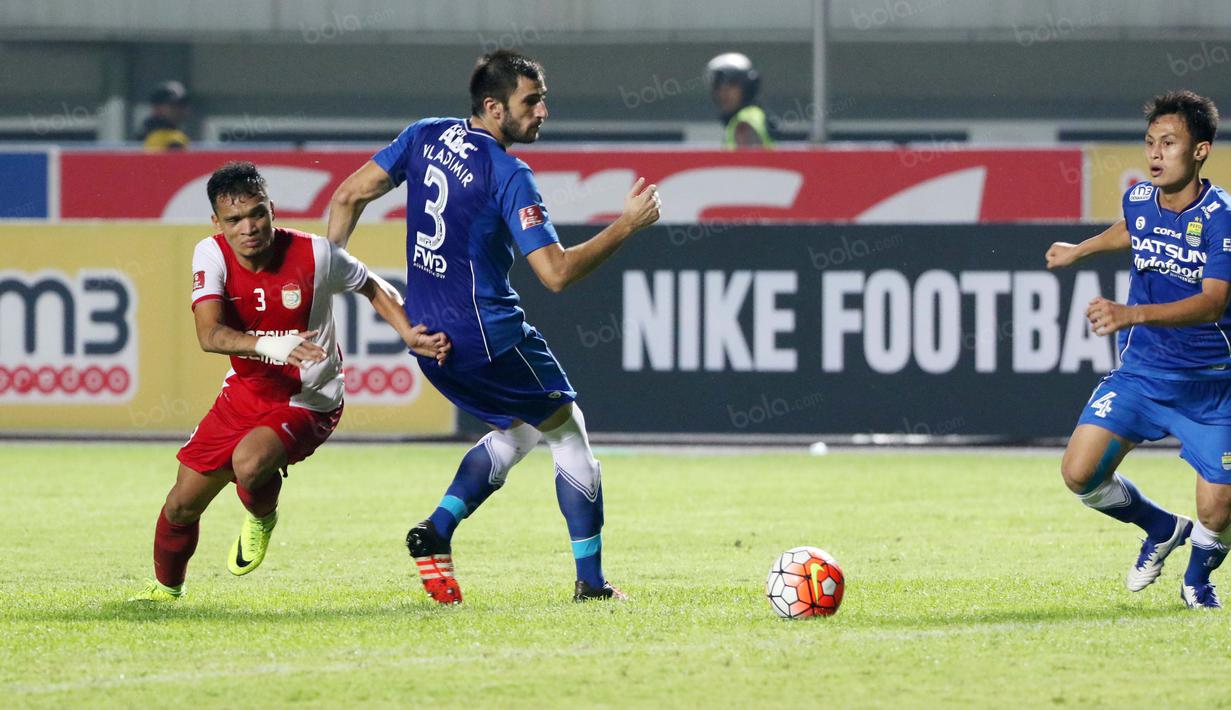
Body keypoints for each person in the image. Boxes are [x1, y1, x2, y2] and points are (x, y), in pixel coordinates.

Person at [326, 49, 662, 604]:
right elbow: (554, 273)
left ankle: (436, 530)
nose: (542, 111)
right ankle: (591, 583)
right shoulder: (508, 172)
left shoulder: (424, 135)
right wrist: (626, 225)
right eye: (530, 101)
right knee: (568, 429)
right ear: (493, 107)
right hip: (491, 337)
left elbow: (346, 195)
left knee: (522, 428)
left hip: (427, 340)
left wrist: (326, 273)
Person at [130, 161, 450, 601]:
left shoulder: (316, 254)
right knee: (180, 504)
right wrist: (269, 345)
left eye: (257, 213)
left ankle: (262, 515)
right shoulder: (210, 253)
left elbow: (373, 285)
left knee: (249, 463)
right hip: (244, 393)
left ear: (272, 210)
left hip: (310, 397)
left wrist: (408, 332)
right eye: (234, 220)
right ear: (217, 223)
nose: (248, 228)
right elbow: (209, 335)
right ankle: (165, 593)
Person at [1046, 90, 1231, 609]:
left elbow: (1213, 302)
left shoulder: (1221, 218)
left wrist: (1131, 314)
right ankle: (1161, 526)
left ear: (1200, 151)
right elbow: (1134, 229)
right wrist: (1079, 249)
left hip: (1211, 384)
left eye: (1168, 143)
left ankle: (1197, 579)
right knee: (1079, 474)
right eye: (1149, 142)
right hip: (1143, 375)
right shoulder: (1139, 198)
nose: (1154, 153)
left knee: (1219, 512)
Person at [705, 53, 773, 149]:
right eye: (718, 88)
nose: (724, 94)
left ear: (747, 88)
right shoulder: (738, 120)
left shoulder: (746, 120)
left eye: (732, 86)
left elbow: (749, 162)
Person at [138, 80, 192, 151]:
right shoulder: (173, 139)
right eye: (174, 105)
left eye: (183, 105)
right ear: (157, 107)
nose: (180, 110)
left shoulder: (177, 135)